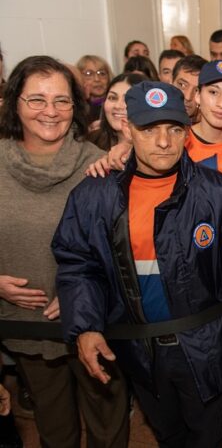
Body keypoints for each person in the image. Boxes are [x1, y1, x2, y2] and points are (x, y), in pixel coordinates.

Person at [52, 80, 222, 447]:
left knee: (210, 430)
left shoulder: (216, 192)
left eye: (174, 129)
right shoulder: (95, 197)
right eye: (149, 129)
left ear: (187, 132)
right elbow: (79, 266)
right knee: (167, 431)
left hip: (206, 347)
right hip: (139, 351)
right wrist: (85, 326)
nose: (163, 142)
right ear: (127, 128)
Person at [0, 55, 129, 447]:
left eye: (61, 100)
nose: (50, 112)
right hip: (24, 323)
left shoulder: (101, 166)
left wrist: (83, 294)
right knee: (54, 431)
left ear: (76, 106)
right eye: (36, 99)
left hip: (97, 322)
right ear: (14, 103)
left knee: (108, 428)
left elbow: (125, 248)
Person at [86, 59, 222, 177]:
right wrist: (119, 153)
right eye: (213, 92)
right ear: (197, 95)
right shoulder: (175, 138)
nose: (221, 103)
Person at [87, 72, 148, 150]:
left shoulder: (157, 146)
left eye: (127, 100)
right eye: (112, 98)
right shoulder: (91, 141)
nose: (118, 106)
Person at [76, 54, 113, 125]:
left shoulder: (115, 106)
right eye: (89, 73)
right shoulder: (75, 108)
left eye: (102, 73)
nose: (97, 79)